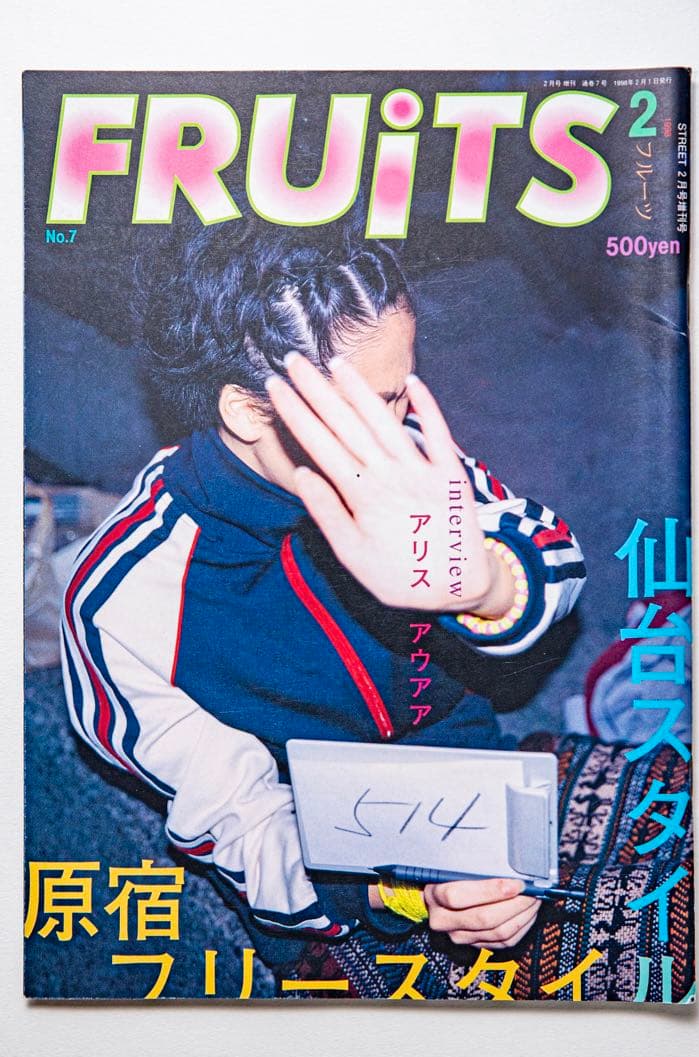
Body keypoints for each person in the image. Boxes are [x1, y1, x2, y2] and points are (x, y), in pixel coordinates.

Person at [60, 225, 586, 987]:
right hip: (325, 848)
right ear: (249, 412)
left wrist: (483, 586)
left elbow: (547, 552)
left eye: (404, 391)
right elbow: (240, 824)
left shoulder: (403, 458)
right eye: (374, 405)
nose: (402, 427)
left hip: (470, 763)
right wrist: (405, 891)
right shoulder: (125, 600)